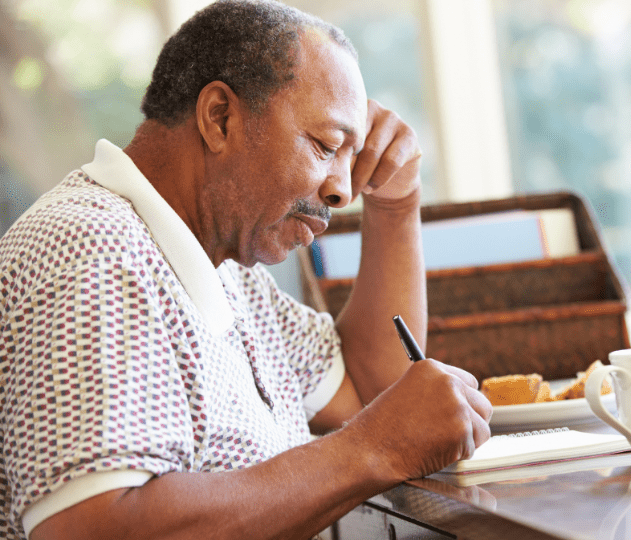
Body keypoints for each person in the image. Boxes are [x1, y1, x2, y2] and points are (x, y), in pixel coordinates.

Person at [0, 1, 492, 539]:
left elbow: (368, 387)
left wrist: (396, 203)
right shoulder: (92, 252)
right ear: (220, 118)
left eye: (350, 160)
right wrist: (373, 449)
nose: (342, 189)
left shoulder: (228, 272)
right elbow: (91, 530)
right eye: (326, 146)